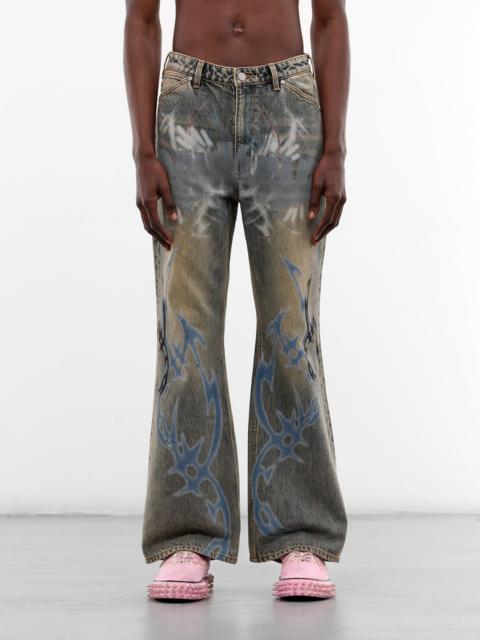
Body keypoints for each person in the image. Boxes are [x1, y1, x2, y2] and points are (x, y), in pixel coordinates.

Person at [123, 0, 350, 601]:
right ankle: (186, 536)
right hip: (187, 109)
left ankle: (301, 533)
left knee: (291, 326)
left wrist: (335, 148)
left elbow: (330, 18)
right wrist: (143, 152)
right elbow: (141, 19)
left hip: (288, 108)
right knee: (185, 331)